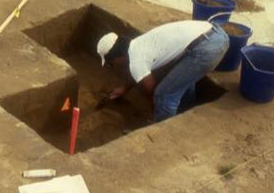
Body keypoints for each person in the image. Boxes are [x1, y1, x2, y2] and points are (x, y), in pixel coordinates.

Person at [97, 20, 229, 123]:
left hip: (205, 50)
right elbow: (141, 71)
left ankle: (162, 132)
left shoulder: (136, 61)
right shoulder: (139, 44)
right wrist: (124, 88)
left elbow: (152, 92)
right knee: (180, 81)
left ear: (117, 57)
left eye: (111, 63)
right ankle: (185, 114)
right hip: (214, 35)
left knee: (163, 95)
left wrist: (155, 112)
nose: (112, 66)